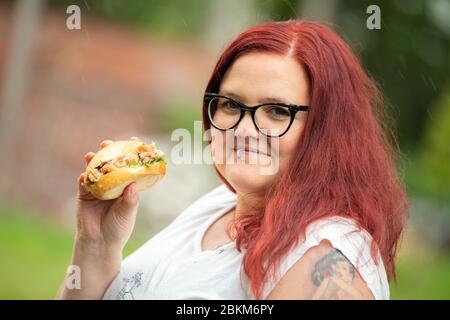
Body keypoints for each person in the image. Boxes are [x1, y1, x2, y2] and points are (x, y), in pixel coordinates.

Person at [56, 20, 409, 300]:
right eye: (230, 105)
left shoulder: (327, 256)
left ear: (328, 129)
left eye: (276, 111)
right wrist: (96, 244)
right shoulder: (217, 206)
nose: (243, 129)